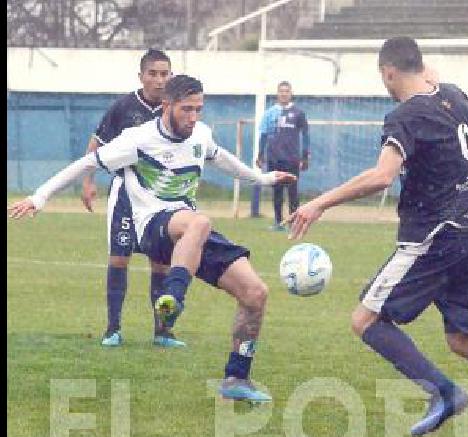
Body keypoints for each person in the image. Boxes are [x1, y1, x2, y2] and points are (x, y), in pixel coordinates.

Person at [287, 37, 468, 437]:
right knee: (461, 339)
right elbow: (459, 107)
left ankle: (445, 393)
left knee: (365, 320)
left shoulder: (405, 116)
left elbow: (382, 176)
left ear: (388, 72)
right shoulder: (457, 97)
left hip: (435, 238)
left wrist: (319, 204)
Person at [8, 75, 297, 403]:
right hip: (154, 229)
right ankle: (173, 299)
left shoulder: (200, 135)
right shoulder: (138, 139)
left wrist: (263, 178)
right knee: (199, 222)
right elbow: (86, 163)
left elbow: (224, 160)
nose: (193, 117)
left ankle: (237, 376)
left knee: (255, 293)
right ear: (166, 106)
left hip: (189, 235)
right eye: (186, 109)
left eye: (199, 109)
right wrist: (39, 197)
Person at [81, 48, 184, 347]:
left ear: (171, 76)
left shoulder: (174, 109)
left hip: (161, 198)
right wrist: (88, 181)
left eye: (164, 74)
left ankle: (162, 332)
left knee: (161, 264)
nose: (159, 79)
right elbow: (97, 143)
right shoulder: (124, 107)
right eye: (152, 73)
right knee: (119, 258)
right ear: (141, 76)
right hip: (126, 193)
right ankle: (113, 329)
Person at [253, 81, 310, 231]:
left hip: (291, 158)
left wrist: (305, 156)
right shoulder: (270, 113)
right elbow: (263, 134)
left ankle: (293, 223)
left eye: (286, 91)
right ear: (277, 94)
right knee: (277, 192)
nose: (284, 94)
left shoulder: (298, 113)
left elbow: (305, 135)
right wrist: (260, 154)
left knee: (293, 192)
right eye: (281, 91)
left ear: (291, 93)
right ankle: (278, 223)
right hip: (274, 158)